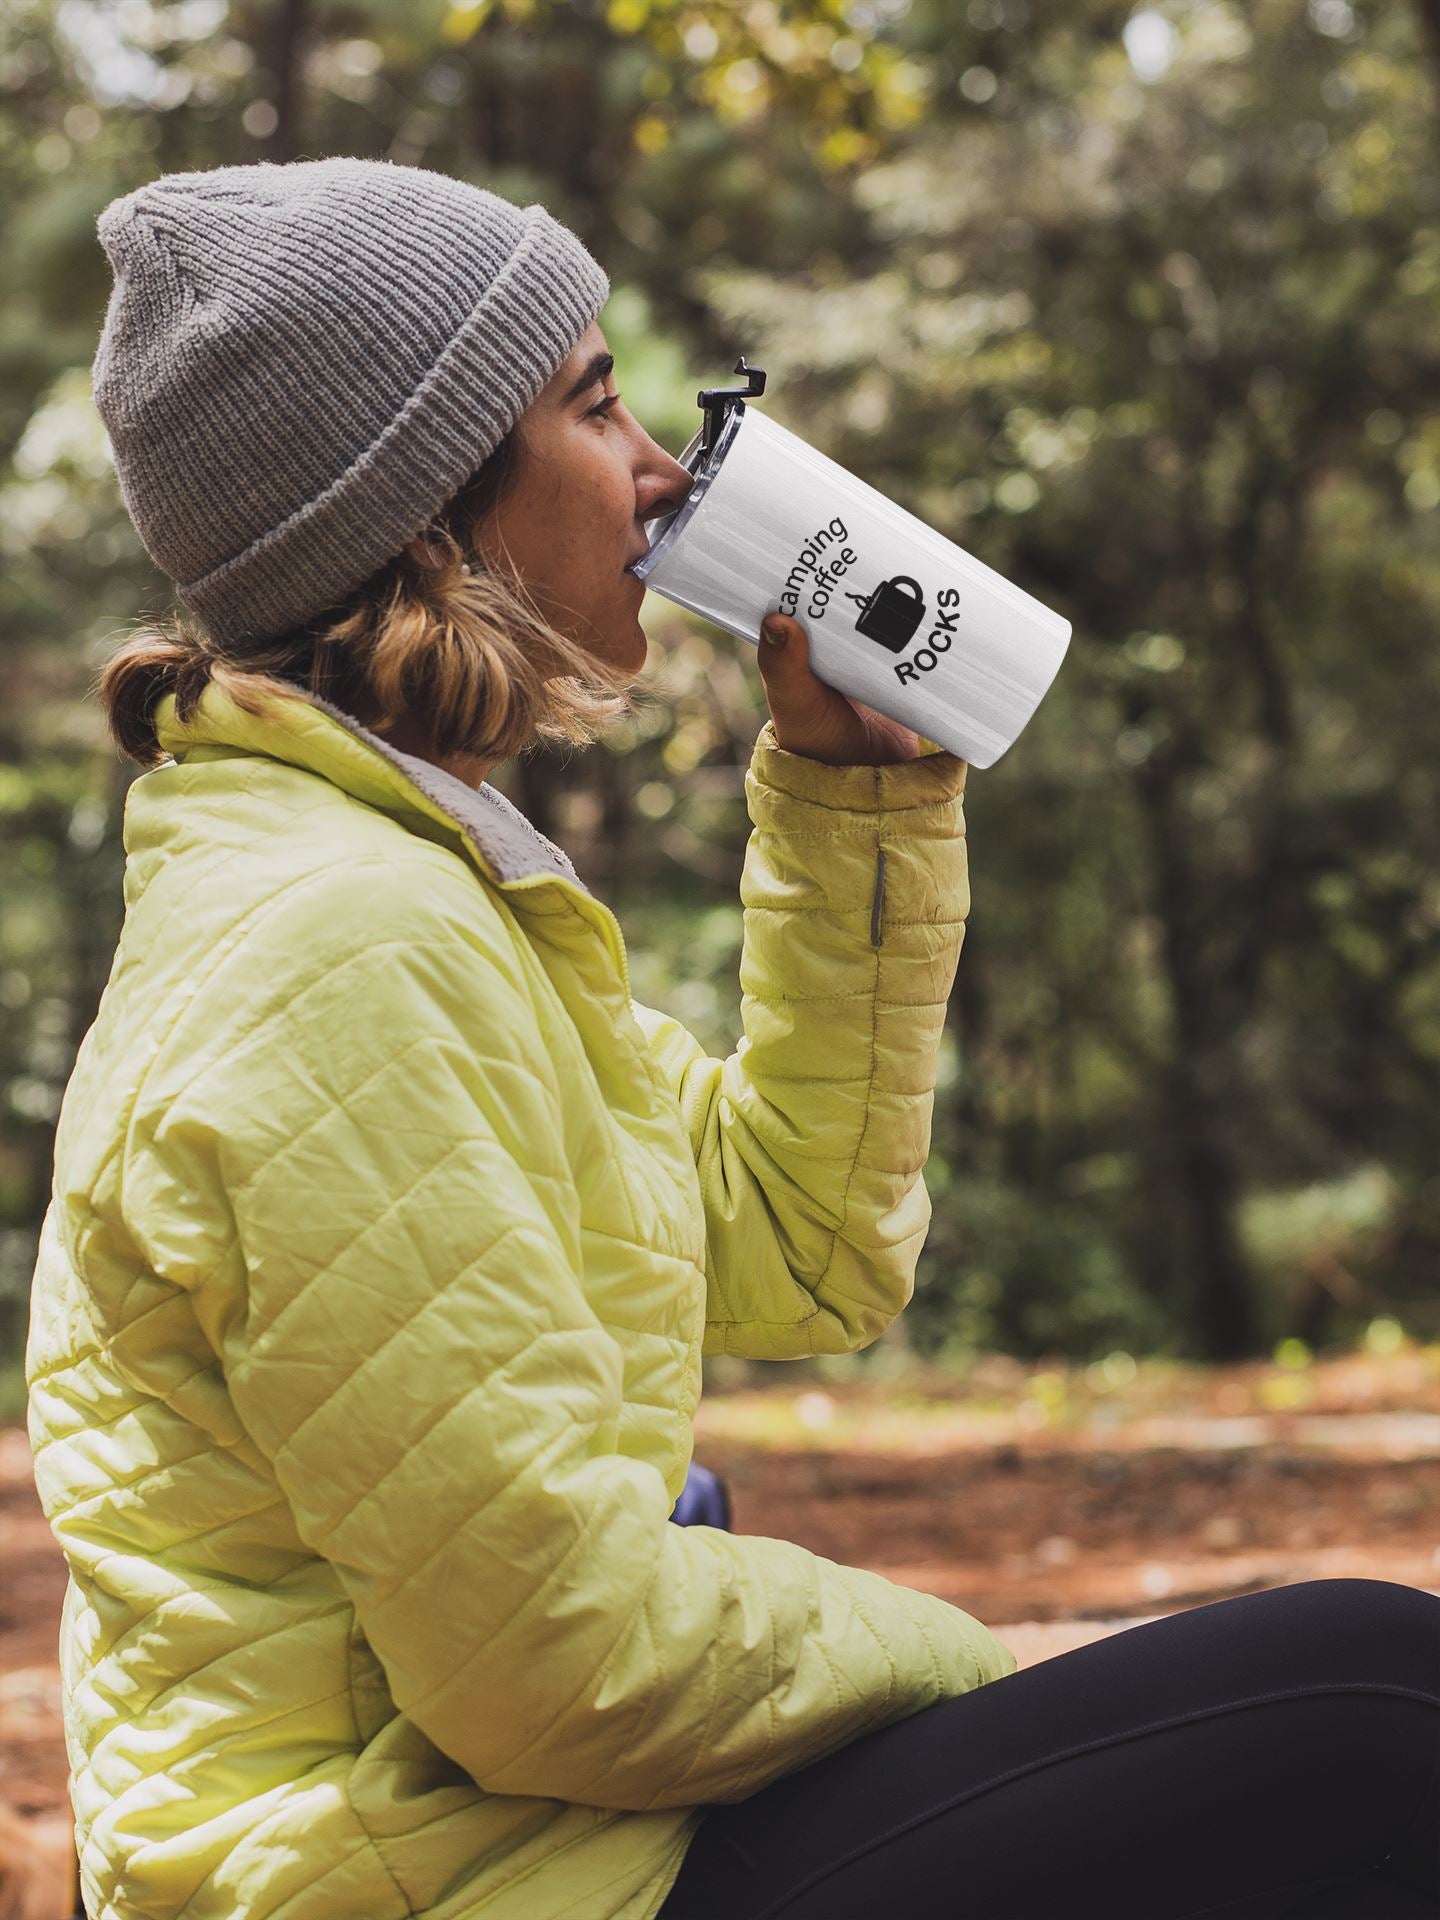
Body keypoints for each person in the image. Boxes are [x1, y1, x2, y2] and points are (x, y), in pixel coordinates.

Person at [23, 157, 1437, 1920]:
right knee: (1378, 1711)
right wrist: (981, 1671)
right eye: (594, 404)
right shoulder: (340, 946)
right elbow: (554, 1659)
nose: (665, 473)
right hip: (442, 1879)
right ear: (431, 516)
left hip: (519, 1847)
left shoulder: (427, 888)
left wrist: (853, 805)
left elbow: (797, 1251)